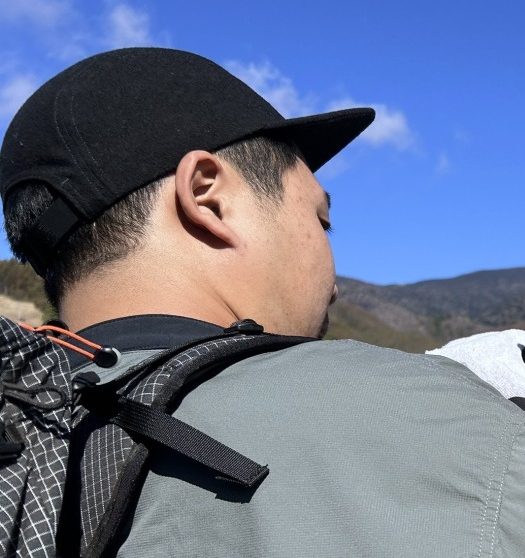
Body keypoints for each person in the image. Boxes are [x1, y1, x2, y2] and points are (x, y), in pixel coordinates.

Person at [1, 48, 524, 557]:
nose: (336, 285)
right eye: (322, 220)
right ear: (209, 198)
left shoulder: (25, 435)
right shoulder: (434, 422)